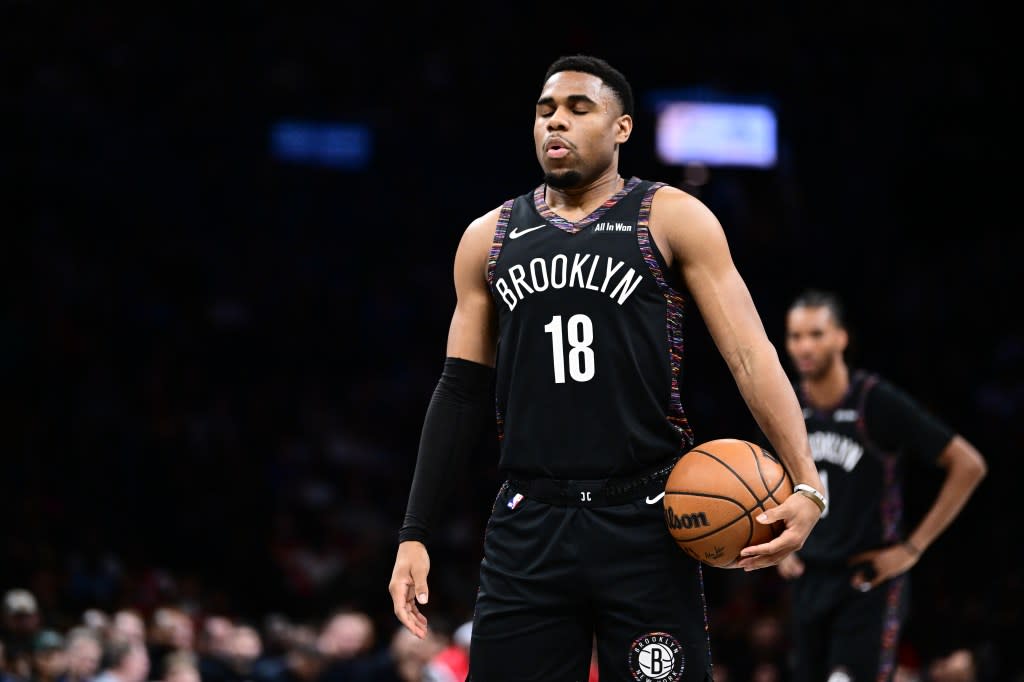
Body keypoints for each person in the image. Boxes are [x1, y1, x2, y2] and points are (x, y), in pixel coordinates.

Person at [388, 54, 826, 681]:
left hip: (648, 517)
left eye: (577, 108)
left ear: (621, 127)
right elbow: (459, 391)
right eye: (544, 111)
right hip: (528, 523)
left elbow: (750, 355)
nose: (555, 123)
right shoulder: (489, 236)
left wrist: (807, 482)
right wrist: (415, 531)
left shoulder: (671, 216)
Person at [774, 289, 988, 682]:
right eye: (795, 336)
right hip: (808, 580)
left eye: (816, 334)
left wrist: (912, 548)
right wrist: (777, 540)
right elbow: (763, 479)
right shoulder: (783, 404)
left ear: (841, 337)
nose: (804, 346)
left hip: (867, 578)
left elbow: (968, 465)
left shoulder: (875, 401)